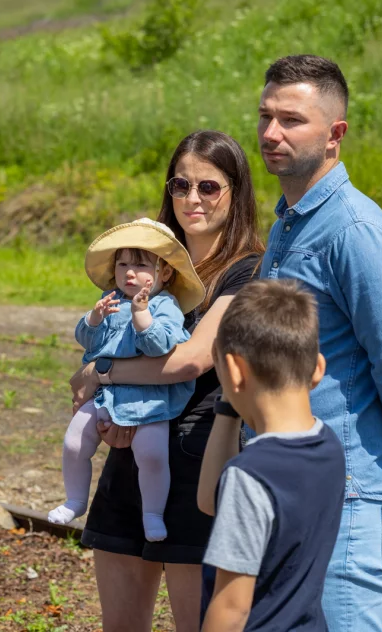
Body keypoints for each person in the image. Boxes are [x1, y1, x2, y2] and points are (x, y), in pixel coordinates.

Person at [256, 54, 382, 631]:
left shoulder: (354, 230)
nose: (270, 133)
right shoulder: (290, 221)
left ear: (335, 134)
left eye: (291, 119)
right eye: (265, 116)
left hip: (348, 488)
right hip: (291, 476)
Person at [69, 130, 265, 632]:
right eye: (181, 185)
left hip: (200, 459)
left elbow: (189, 361)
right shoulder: (144, 260)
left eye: (209, 186)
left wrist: (100, 373)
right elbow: (103, 333)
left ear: (236, 192)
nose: (192, 198)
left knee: (194, 626)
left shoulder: (249, 270)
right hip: (133, 444)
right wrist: (108, 401)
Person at [197, 280, 345, 631]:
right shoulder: (329, 448)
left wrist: (232, 389)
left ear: (232, 371)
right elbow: (210, 501)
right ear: (318, 368)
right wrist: (228, 405)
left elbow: (232, 607)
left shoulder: (251, 476)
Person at [48, 218, 205, 543]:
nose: (129, 273)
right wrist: (93, 319)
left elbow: (160, 345)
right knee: (75, 440)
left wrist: (141, 315)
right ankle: (75, 500)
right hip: (106, 394)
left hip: (149, 400)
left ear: (164, 273)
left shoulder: (165, 306)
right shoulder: (111, 299)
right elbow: (88, 342)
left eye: (140, 265)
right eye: (122, 265)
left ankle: (152, 514)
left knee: (151, 454)